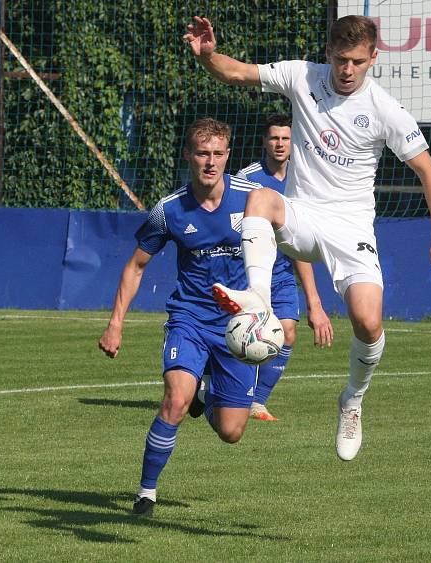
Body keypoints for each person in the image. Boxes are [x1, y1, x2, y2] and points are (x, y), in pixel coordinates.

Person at [183, 15, 431, 461]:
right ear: (328, 54)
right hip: (301, 215)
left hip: (352, 228)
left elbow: (429, 172)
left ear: (373, 58)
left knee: (368, 321)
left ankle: (352, 400)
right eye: (340, 60)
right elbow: (237, 72)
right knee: (259, 198)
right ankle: (258, 299)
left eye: (357, 61)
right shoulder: (303, 76)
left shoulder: (384, 110)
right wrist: (207, 56)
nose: (348, 69)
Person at [98, 118, 269, 517]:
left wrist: (303, 298)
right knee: (175, 400)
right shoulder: (169, 210)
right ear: (189, 156)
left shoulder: (253, 200)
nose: (210, 162)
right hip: (188, 319)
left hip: (236, 326)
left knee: (231, 432)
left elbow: (291, 239)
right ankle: (146, 493)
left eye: (217, 154)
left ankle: (206, 397)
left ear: (228, 155)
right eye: (202, 154)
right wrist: (115, 323)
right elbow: (136, 267)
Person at [236, 114, 333, 421]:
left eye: (285, 138)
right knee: (238, 336)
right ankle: (215, 386)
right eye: (273, 138)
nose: (279, 144)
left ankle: (257, 402)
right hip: (248, 273)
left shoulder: (303, 179)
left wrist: (314, 302)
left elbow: (301, 244)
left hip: (282, 275)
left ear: (294, 142)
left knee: (287, 333)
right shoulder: (247, 179)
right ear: (264, 142)